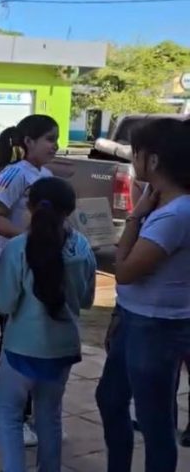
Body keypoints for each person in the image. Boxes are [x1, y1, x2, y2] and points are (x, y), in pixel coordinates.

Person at [96, 118, 190, 472]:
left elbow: (124, 271)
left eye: (135, 154)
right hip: (136, 318)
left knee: (155, 421)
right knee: (110, 399)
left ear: (153, 160)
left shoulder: (176, 214)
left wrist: (134, 217)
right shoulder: (164, 205)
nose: (132, 160)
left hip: (156, 327)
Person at [0, 177, 96, 472]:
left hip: (21, 349)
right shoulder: (82, 248)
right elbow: (86, 300)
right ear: (70, 210)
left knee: (8, 414)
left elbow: (3, 303)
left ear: (30, 206)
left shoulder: (18, 248)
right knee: (49, 416)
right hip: (62, 349)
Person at [0, 114, 60, 447]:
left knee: (34, 342)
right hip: (15, 270)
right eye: (49, 139)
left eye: (56, 138)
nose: (55, 145)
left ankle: (28, 414)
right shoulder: (14, 174)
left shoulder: (46, 176)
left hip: (40, 269)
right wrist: (28, 239)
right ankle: (3, 416)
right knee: (12, 344)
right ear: (28, 141)